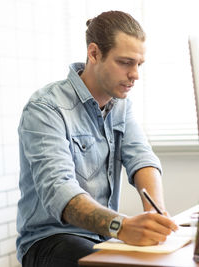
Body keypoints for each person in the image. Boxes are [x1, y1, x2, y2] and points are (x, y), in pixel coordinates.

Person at [16, 10, 178, 267]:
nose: (135, 74)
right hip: (50, 241)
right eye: (125, 62)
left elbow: (142, 158)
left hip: (101, 237)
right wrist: (121, 226)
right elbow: (59, 191)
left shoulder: (121, 106)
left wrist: (155, 212)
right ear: (94, 54)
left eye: (139, 64)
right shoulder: (45, 107)